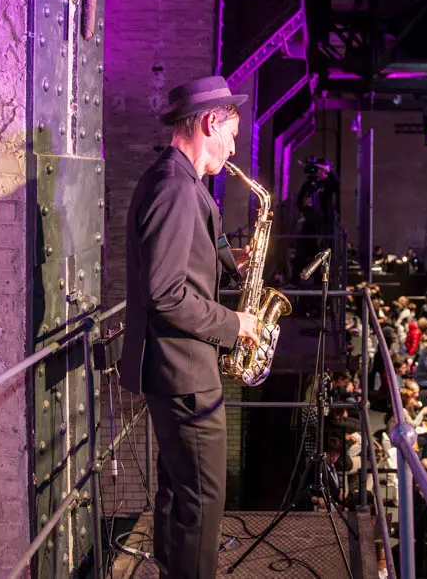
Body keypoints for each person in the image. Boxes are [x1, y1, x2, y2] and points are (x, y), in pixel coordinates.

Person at [119, 75, 261, 579]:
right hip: (184, 372)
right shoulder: (176, 188)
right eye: (232, 135)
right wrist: (235, 323)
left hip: (174, 369)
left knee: (179, 492)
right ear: (209, 123)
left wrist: (229, 260)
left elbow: (181, 259)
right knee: (202, 502)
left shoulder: (178, 181)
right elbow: (165, 293)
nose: (234, 148)